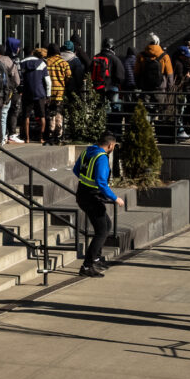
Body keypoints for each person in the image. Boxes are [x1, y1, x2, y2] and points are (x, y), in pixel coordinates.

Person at [73, 133, 124, 277]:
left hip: (83, 193)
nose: (113, 149)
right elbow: (101, 182)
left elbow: (76, 170)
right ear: (110, 145)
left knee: (106, 225)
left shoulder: (88, 152)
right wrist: (115, 198)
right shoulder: (101, 158)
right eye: (113, 146)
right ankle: (87, 266)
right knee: (102, 231)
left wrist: (87, 183)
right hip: (91, 197)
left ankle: (95, 258)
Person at [20, 48, 51, 144]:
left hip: (27, 92)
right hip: (40, 92)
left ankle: (27, 138)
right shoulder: (42, 63)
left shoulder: (22, 62)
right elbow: (48, 81)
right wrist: (48, 95)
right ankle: (41, 138)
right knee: (42, 115)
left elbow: (20, 78)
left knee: (26, 116)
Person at [135, 33, 173, 111]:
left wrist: (138, 85)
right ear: (158, 42)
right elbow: (169, 75)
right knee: (160, 110)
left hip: (145, 88)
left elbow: (136, 73)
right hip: (160, 88)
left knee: (145, 110)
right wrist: (169, 88)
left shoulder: (141, 56)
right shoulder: (165, 56)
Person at [45, 43, 71, 145]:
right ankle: (59, 135)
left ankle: (50, 135)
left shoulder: (46, 62)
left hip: (48, 93)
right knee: (59, 114)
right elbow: (69, 77)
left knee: (51, 114)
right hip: (60, 92)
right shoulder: (64, 63)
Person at [5, 38, 24, 144]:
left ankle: (5, 133)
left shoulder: (3, 57)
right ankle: (12, 133)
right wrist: (21, 88)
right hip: (15, 89)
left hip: (5, 89)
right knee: (14, 110)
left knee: (5, 111)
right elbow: (19, 75)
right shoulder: (16, 60)